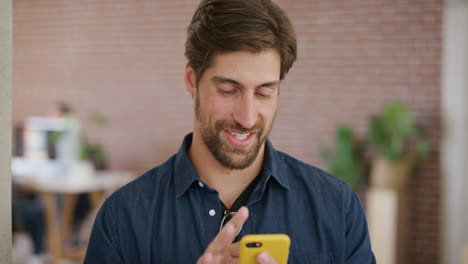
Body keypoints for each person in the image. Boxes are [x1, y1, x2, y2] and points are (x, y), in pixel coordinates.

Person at [84, 0, 376, 263]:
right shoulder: (123, 218)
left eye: (264, 93)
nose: (247, 118)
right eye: (228, 90)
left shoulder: (337, 208)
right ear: (192, 80)